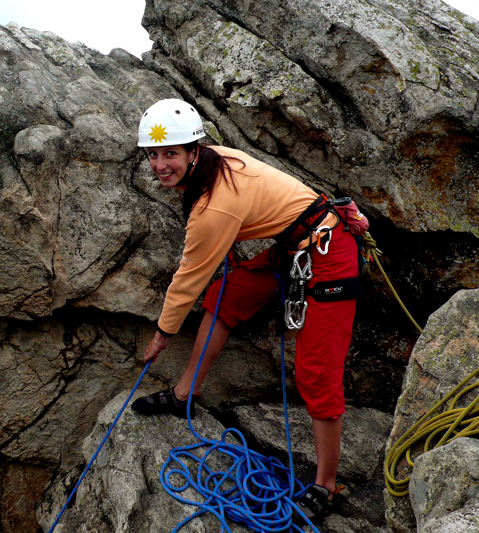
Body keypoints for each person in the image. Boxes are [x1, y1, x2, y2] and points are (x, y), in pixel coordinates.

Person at [129, 98, 361, 524]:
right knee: (225, 295)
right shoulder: (215, 161)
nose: (161, 165)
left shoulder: (213, 206)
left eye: (170, 153)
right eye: (154, 154)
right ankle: (183, 396)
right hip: (298, 246)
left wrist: (162, 334)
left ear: (193, 151)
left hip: (331, 254)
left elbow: (187, 279)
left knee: (315, 371)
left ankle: (325, 485)